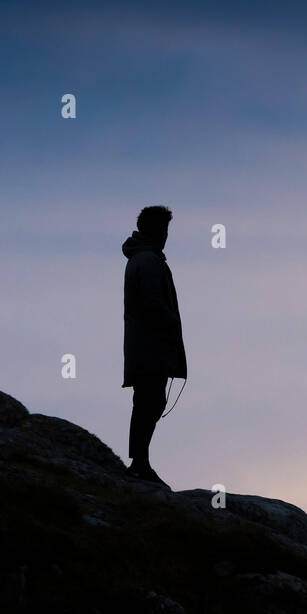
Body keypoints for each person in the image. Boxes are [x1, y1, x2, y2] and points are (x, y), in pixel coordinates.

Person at [121, 205, 187, 490]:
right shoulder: (148, 261)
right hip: (150, 346)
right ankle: (139, 463)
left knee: (149, 401)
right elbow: (152, 304)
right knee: (149, 402)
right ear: (156, 230)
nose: (166, 236)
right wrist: (171, 321)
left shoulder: (143, 259)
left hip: (145, 344)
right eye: (164, 230)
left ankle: (140, 461)